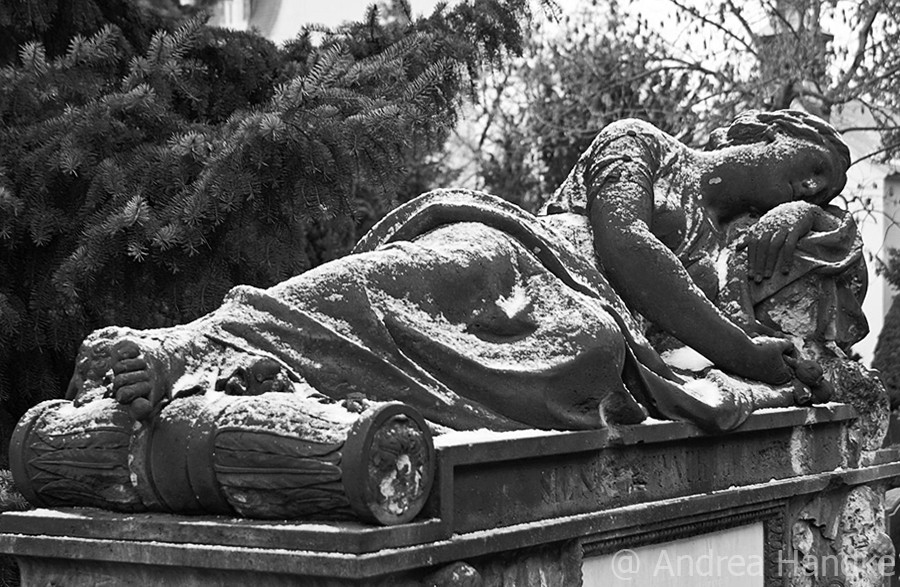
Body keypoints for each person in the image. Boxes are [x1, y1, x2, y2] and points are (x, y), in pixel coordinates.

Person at [66, 110, 860, 433]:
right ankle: (190, 344)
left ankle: (305, 391)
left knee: (592, 350)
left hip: (583, 325)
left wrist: (773, 369)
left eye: (820, 187)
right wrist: (741, 351)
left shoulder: (716, 271)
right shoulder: (643, 142)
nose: (808, 187)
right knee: (416, 276)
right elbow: (624, 246)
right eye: (810, 163)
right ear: (766, 131)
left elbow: (688, 356)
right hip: (522, 258)